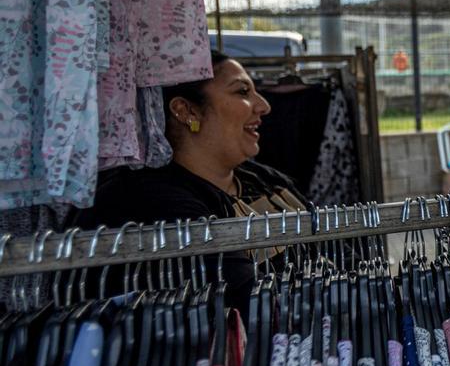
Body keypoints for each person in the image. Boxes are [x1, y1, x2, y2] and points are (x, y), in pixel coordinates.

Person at [74, 51, 305, 313]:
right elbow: (251, 305)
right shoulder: (155, 204)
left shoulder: (266, 180)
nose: (263, 105)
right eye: (242, 92)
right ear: (186, 111)